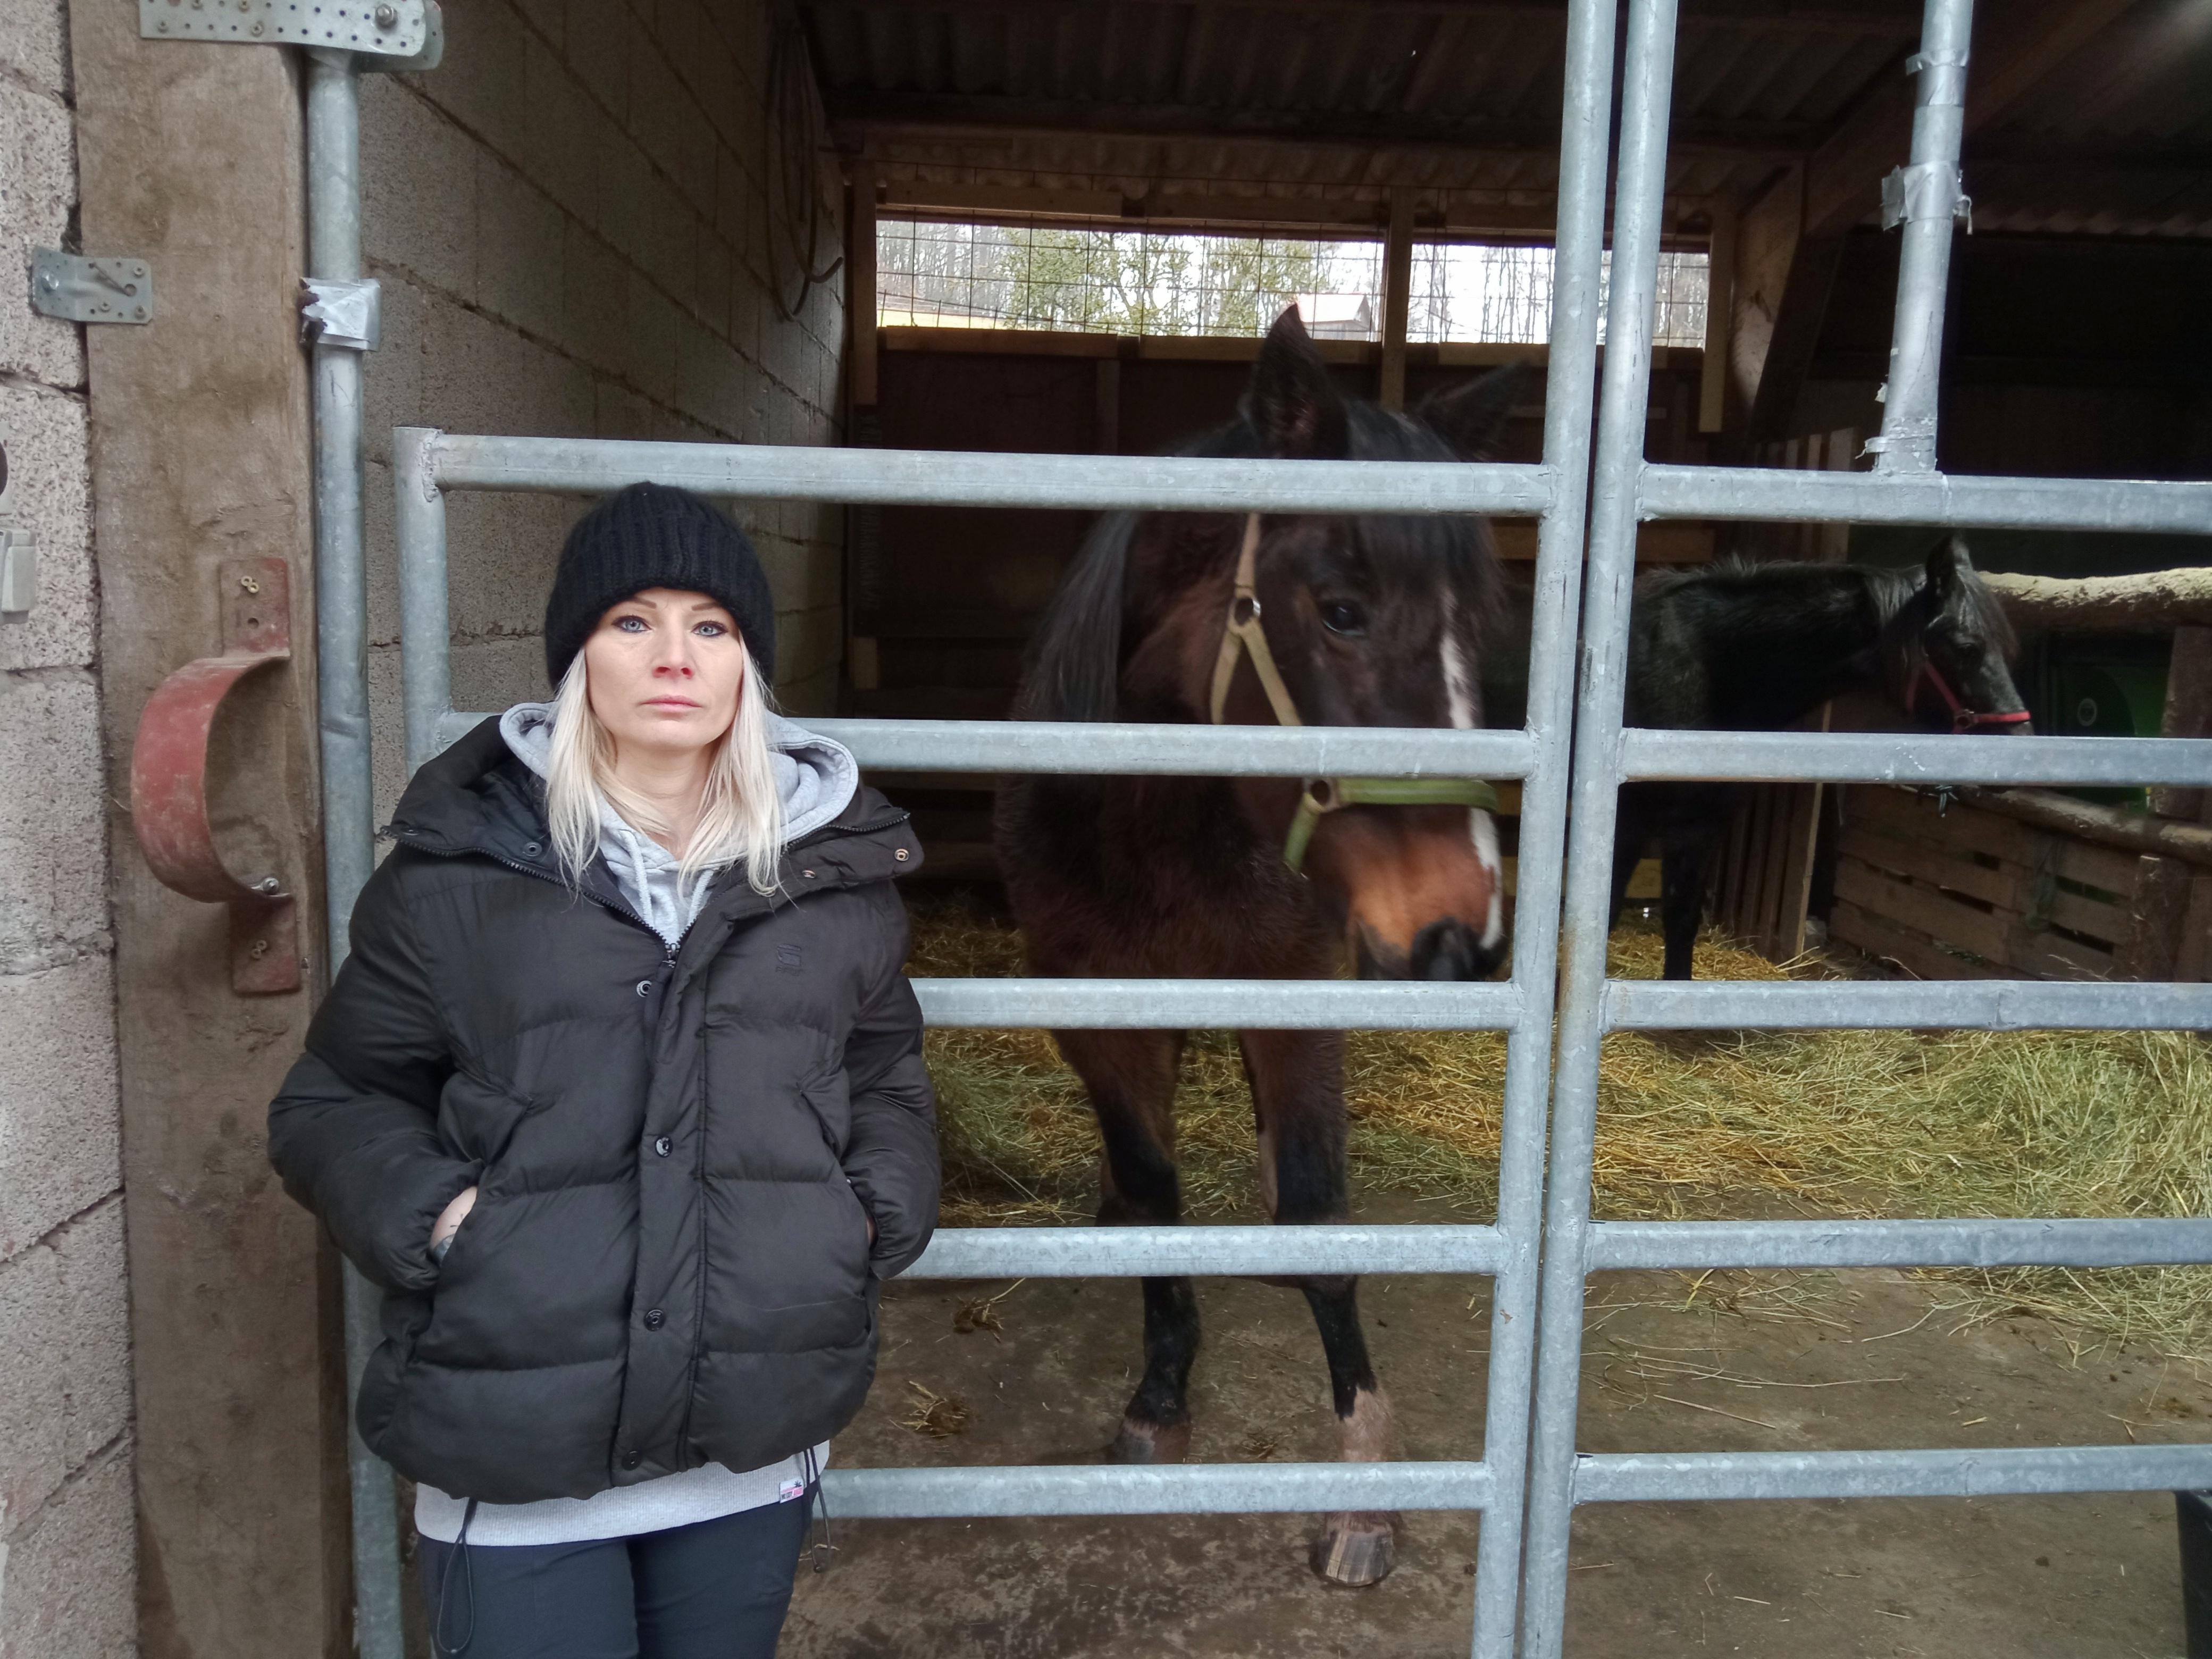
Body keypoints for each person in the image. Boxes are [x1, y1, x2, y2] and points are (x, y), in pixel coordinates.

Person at [269, 483, 938, 1658]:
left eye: (711, 627)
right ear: (579, 656)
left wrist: (872, 1212)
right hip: (515, 1441)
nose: (673, 657)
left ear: (748, 668)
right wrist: (439, 1219)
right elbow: (335, 1098)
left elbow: (882, 1070)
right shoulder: (456, 880)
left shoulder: (831, 880)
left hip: (752, 1424)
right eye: (632, 622)